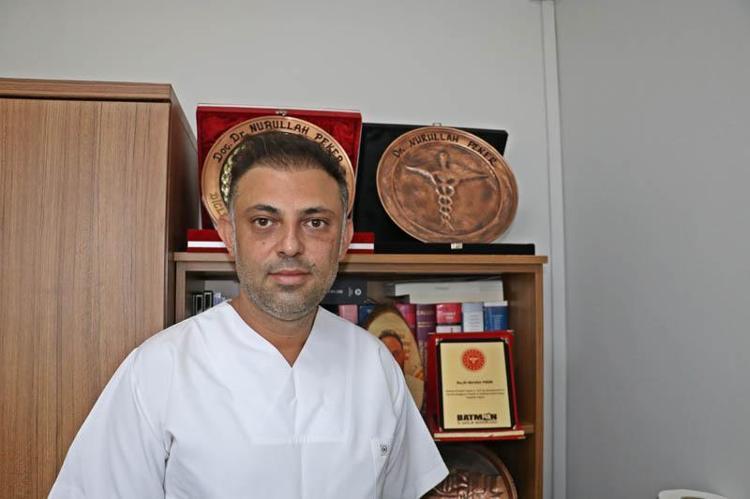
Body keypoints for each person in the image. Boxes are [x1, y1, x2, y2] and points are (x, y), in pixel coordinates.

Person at [49, 131, 448, 498]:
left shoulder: (375, 364)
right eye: (263, 221)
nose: (290, 245)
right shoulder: (158, 370)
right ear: (228, 235)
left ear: (344, 238)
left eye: (315, 222)